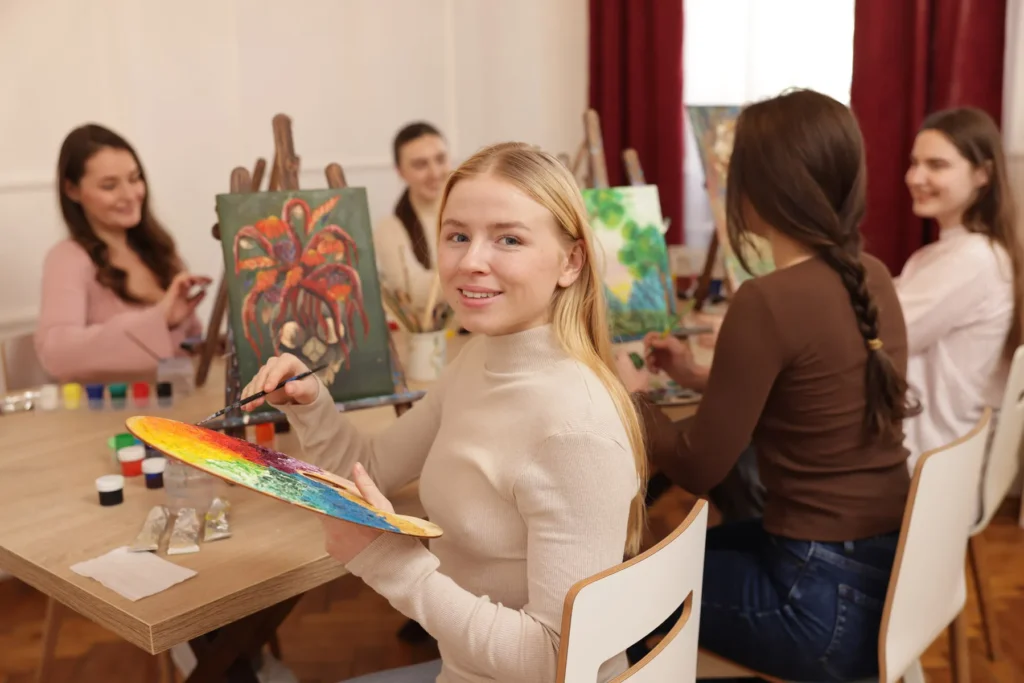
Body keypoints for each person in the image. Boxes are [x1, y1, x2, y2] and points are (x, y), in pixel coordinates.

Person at [240, 142, 647, 683]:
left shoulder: (575, 432)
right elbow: (374, 466)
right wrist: (313, 402)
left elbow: (558, 661)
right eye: (457, 235)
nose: (471, 260)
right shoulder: (479, 358)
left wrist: (388, 560)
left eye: (508, 239)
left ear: (570, 262)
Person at [624, 89, 919, 681]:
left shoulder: (767, 301)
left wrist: (623, 397)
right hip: (887, 577)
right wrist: (696, 374)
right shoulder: (875, 276)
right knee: (646, 567)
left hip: (816, 602)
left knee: (614, 596)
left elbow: (699, 466)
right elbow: (812, 392)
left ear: (761, 189)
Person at [897, 107, 1023, 470]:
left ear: (982, 174)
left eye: (936, 165)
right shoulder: (952, 254)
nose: (916, 177)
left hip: (926, 456)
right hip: (936, 447)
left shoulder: (972, 260)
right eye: (914, 162)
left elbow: (883, 333)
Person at [34, 124, 209, 383]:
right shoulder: (68, 259)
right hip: (114, 417)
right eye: (109, 186)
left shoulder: (159, 250)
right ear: (72, 190)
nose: (129, 195)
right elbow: (56, 353)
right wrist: (158, 319)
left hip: (180, 407)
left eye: (134, 178)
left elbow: (188, 345)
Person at [373, 122, 451, 310]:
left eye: (440, 159)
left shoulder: (476, 213)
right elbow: (413, 292)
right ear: (400, 171)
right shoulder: (388, 228)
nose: (435, 173)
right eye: (420, 164)